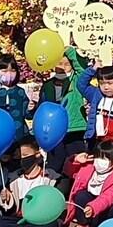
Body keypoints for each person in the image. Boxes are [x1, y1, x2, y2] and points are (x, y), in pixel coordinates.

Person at [0, 137, 61, 227]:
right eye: (18, 156)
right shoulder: (14, 178)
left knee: (53, 223)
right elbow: (9, 208)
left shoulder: (49, 177)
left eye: (25, 156)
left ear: (37, 154)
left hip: (40, 218)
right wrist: (7, 199)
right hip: (19, 219)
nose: (21, 160)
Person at [64, 139, 113, 227]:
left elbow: (109, 196)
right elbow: (69, 172)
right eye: (98, 156)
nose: (98, 161)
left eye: (103, 158)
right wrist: (75, 160)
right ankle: (84, 224)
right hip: (91, 201)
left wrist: (93, 207)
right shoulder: (89, 166)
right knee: (80, 196)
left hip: (106, 204)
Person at [38, 54, 87, 193]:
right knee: (56, 161)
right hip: (54, 129)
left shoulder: (76, 81)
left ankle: (77, 191)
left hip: (74, 128)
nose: (63, 67)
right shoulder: (47, 85)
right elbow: (43, 106)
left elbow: (82, 69)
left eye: (67, 64)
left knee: (76, 161)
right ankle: (56, 192)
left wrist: (68, 50)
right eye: (60, 63)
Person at [74, 64, 113, 159]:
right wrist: (93, 69)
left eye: (110, 83)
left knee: (112, 169)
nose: (106, 87)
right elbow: (81, 84)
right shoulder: (96, 95)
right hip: (97, 142)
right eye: (101, 83)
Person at [0, 54, 32, 139]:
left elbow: (27, 114)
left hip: (18, 134)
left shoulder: (20, 91)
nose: (9, 74)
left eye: (13, 71)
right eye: (4, 71)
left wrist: (31, 108)